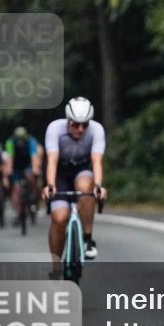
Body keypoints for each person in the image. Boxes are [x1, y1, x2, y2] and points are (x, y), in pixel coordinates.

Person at [42, 97, 108, 263]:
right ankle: (56, 265)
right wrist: (50, 185)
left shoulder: (97, 129)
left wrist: (99, 186)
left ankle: (87, 239)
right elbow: (52, 160)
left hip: (82, 168)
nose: (80, 129)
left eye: (85, 124)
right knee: (59, 218)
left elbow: (97, 161)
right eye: (75, 124)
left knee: (86, 186)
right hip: (60, 172)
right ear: (68, 120)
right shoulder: (54, 129)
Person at [6, 126, 43, 225]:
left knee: (31, 177)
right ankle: (19, 212)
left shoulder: (31, 141)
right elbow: (10, 157)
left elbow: (34, 156)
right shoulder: (10, 142)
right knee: (17, 188)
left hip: (28, 163)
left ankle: (34, 198)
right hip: (16, 165)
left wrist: (35, 170)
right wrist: (8, 172)